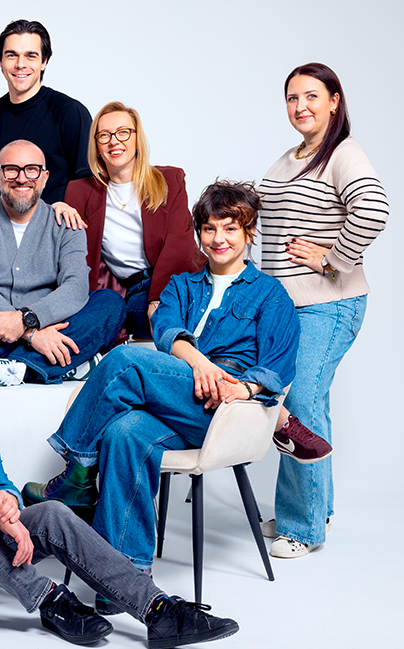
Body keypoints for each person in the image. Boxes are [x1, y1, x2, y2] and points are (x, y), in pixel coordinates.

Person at [23, 181, 330, 609]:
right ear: (199, 233)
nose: (218, 239)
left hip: (228, 410)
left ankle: (77, 472)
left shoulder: (269, 294)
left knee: (126, 360)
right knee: (124, 433)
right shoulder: (183, 286)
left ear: (249, 232)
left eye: (230, 228)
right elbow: (166, 329)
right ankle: (124, 577)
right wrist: (200, 364)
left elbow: (277, 366)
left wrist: (239, 386)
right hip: (177, 395)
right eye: (209, 229)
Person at [0, 324, 240, 649]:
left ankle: (158, 611)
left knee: (52, 512)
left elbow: (0, 483)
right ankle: (49, 600)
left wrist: (7, 504)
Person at [257, 63, 389, 558]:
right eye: (292, 98)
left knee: (300, 405)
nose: (300, 106)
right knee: (312, 404)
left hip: (328, 305)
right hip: (291, 308)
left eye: (311, 96)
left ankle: (303, 527)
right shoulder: (291, 157)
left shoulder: (343, 153)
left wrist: (332, 261)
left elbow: (373, 209)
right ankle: (317, 508)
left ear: (334, 101)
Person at [0, 140, 125, 386]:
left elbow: (75, 287)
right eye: (11, 170)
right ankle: (60, 365)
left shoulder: (67, 223)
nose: (21, 179)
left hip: (53, 324)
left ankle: (6, 368)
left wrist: (26, 319)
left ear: (44, 178)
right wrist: (32, 335)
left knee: (111, 303)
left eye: (31, 170)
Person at [64, 101, 206, 339]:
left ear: (137, 138)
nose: (114, 141)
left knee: (182, 313)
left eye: (123, 132)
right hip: (131, 290)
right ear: (96, 146)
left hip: (177, 282)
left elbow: (179, 247)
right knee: (122, 313)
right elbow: (72, 250)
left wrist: (158, 297)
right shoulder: (80, 192)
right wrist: (56, 206)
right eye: (104, 135)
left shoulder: (170, 180)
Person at [0, 19, 93, 208]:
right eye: (12, 55)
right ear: (1, 62)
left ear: (44, 62)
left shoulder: (69, 112)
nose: (20, 64)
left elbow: (88, 186)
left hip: (53, 226)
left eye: (30, 56)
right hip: (0, 227)